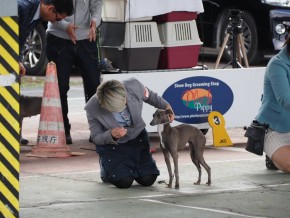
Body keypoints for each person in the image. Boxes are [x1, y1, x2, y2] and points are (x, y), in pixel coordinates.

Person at [85, 78, 175, 189]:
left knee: (148, 179)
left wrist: (167, 107)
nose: (121, 111)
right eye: (115, 110)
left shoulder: (134, 85)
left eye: (123, 105)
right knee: (124, 182)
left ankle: (135, 165)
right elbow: (96, 137)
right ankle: (106, 167)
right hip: (113, 145)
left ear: (125, 95)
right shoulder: (92, 107)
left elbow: (151, 97)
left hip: (137, 136)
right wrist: (111, 134)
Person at [46, 0, 102, 144]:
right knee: (60, 86)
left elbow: (96, 5)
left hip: (87, 37)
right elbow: (48, 10)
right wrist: (65, 25)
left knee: (94, 85)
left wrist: (95, 21)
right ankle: (63, 129)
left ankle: (96, 129)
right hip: (58, 37)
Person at [18, 0, 74, 145]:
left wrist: (17, 59)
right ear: (50, 8)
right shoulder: (21, 8)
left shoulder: (34, 14)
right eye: (57, 19)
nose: (56, 22)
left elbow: (20, 38)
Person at [255, 21, 290, 174]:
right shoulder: (277, 64)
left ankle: (289, 152)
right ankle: (273, 155)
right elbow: (285, 100)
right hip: (277, 129)